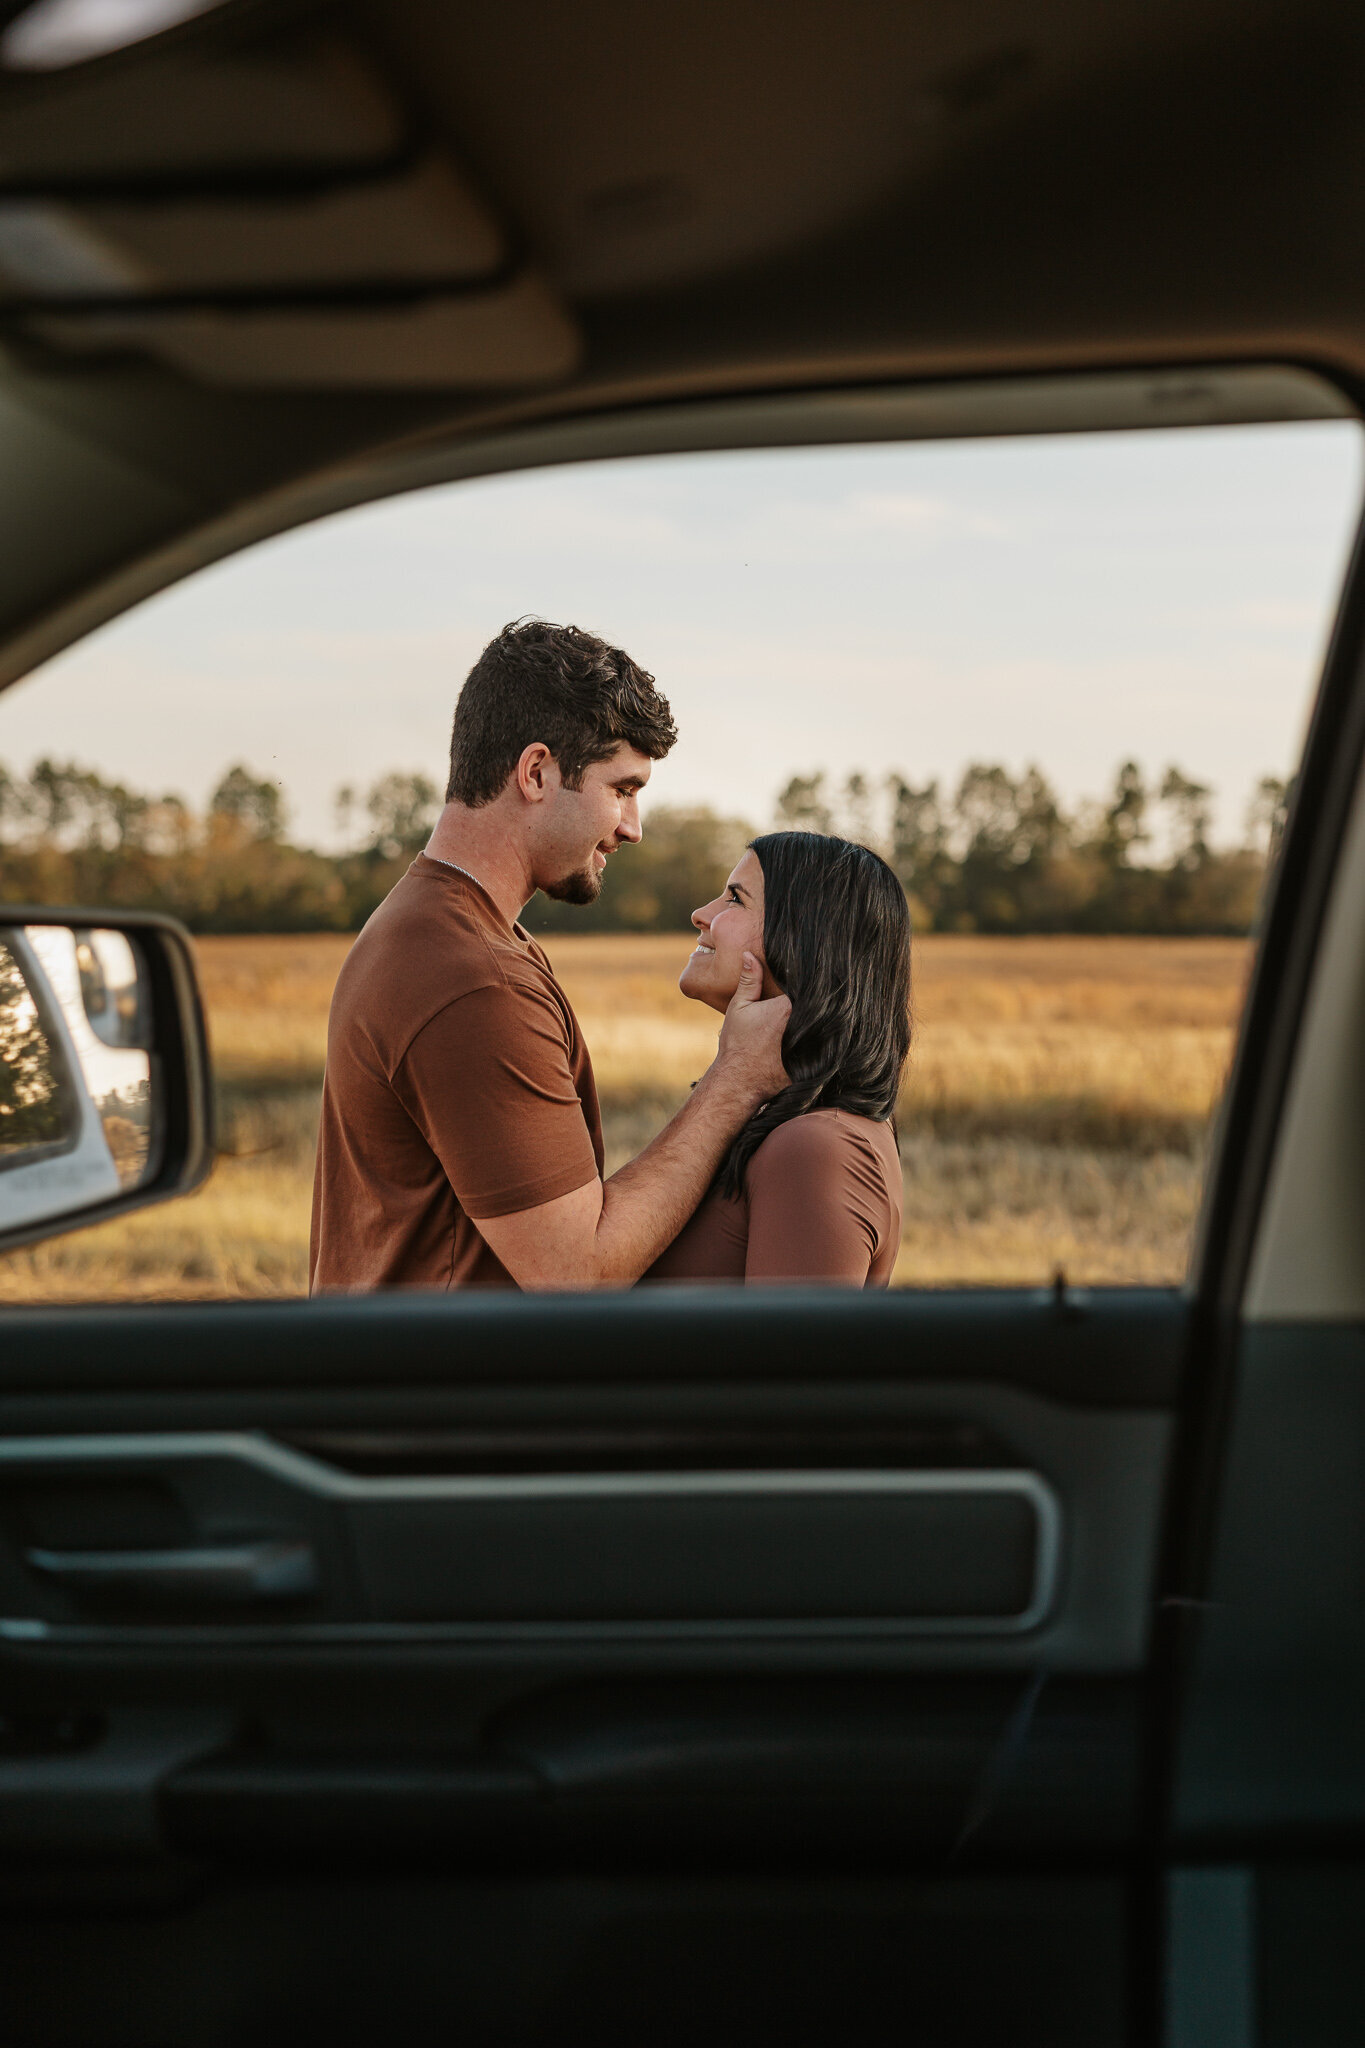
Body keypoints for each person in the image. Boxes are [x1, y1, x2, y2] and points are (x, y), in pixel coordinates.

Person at [309, 618, 790, 1291]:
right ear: (536, 772)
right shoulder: (473, 978)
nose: (632, 828)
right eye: (620, 790)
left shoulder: (438, 929)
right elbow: (576, 1273)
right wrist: (737, 1079)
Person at [646, 832, 909, 1286]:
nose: (702, 914)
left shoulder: (816, 1148)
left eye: (734, 899)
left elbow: (794, 1357)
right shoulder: (791, 1125)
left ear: (806, 941)